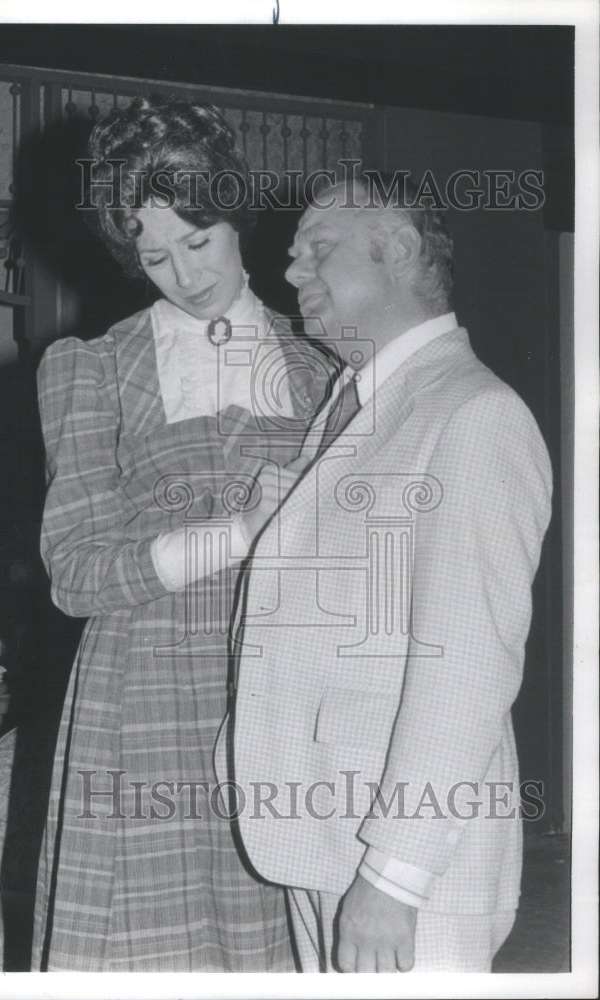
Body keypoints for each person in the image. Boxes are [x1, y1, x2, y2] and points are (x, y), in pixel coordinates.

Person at [31, 97, 334, 971]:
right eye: (153, 256)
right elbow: (76, 574)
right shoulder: (93, 367)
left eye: (197, 242)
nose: (184, 275)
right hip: (145, 698)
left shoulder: (321, 368)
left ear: (235, 213)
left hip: (284, 697)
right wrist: (240, 531)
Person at [228, 174, 553, 972]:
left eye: (319, 250)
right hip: (322, 837)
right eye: (295, 254)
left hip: (404, 869)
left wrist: (395, 874)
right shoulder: (357, 402)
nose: (293, 270)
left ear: (400, 250)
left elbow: (468, 668)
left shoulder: (473, 415)